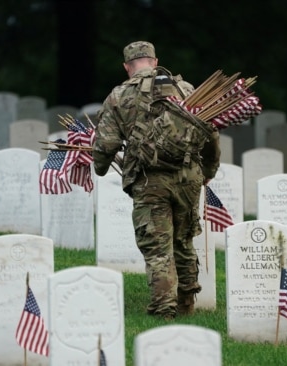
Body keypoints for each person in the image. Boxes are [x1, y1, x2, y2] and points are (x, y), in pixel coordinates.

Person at [93, 41, 221, 320]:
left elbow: (106, 144)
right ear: (154, 60)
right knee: (184, 239)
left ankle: (164, 310)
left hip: (149, 181)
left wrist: (100, 168)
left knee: (157, 247)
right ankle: (187, 302)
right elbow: (210, 132)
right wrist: (209, 169)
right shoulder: (185, 90)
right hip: (188, 176)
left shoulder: (119, 95)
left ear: (127, 67)